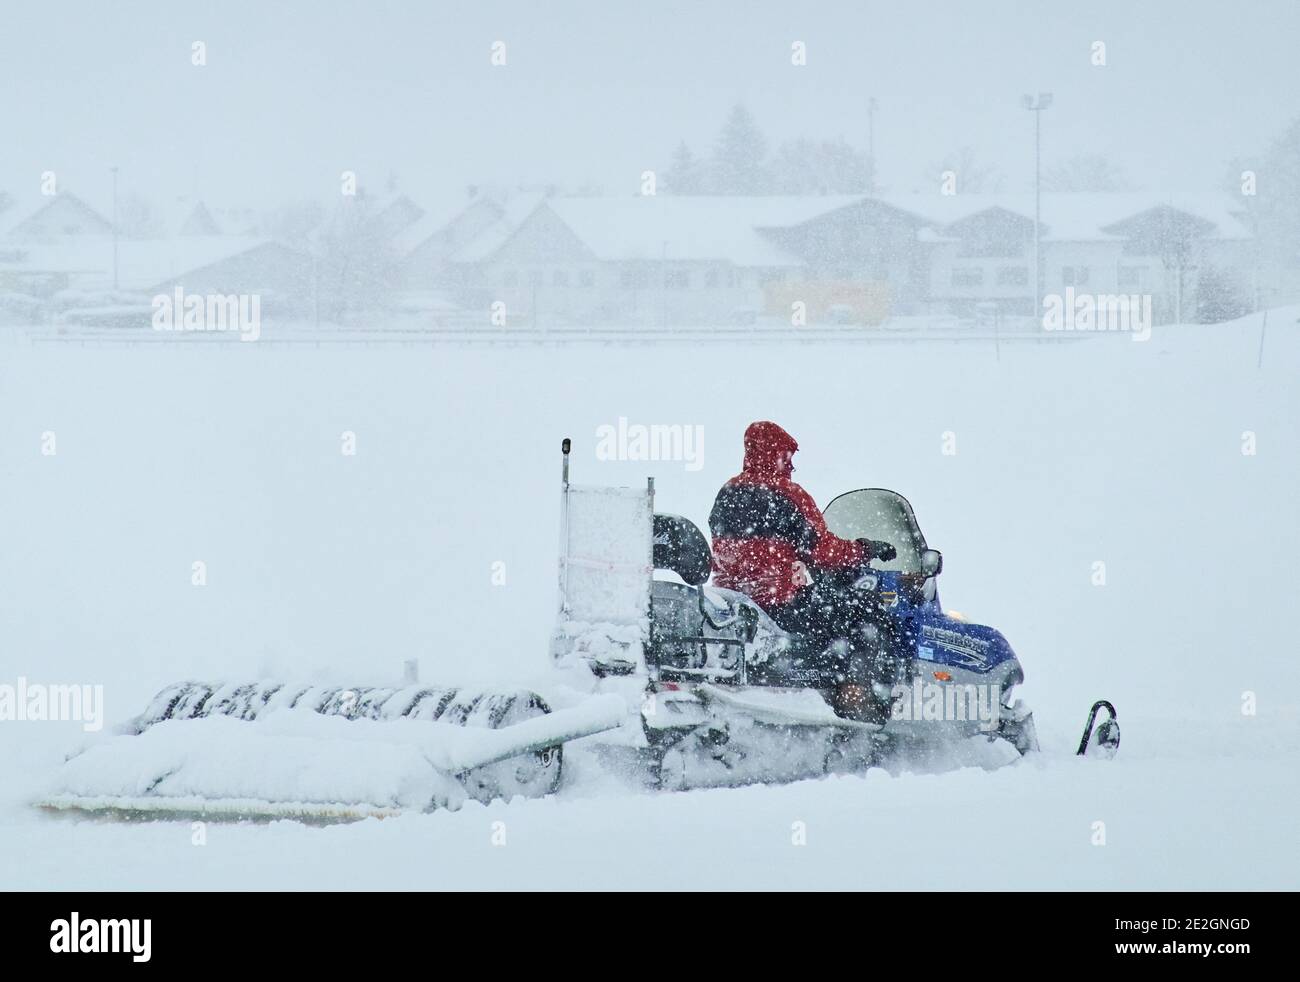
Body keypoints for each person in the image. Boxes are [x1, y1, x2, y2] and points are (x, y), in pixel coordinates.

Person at [708, 421, 896, 720]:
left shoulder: (727, 492)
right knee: (865, 607)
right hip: (778, 601)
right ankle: (857, 700)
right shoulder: (787, 494)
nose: (791, 465)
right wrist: (866, 549)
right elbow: (824, 552)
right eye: (787, 456)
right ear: (773, 454)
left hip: (735, 601)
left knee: (826, 603)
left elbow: (741, 548)